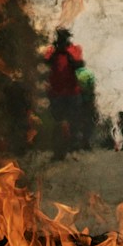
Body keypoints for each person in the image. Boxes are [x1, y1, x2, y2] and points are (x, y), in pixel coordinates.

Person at [41, 29, 84, 161]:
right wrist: (56, 52)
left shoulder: (75, 49)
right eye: (60, 38)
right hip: (56, 92)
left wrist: (66, 52)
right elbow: (45, 61)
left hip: (72, 91)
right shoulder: (51, 51)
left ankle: (73, 149)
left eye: (64, 38)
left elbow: (79, 64)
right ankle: (58, 151)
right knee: (58, 121)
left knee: (73, 121)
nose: (62, 41)